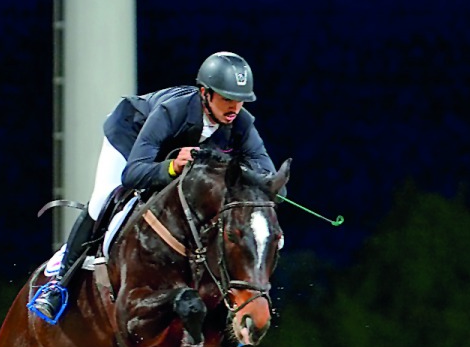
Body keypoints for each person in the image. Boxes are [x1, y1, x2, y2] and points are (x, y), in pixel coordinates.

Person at [28, 51, 282, 324]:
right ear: (205, 93)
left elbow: (270, 180)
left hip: (170, 154)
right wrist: (171, 167)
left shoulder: (241, 123)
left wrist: (249, 180)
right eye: (227, 99)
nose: (234, 108)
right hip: (130, 138)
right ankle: (59, 284)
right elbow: (133, 174)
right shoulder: (171, 112)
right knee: (102, 200)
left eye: (240, 101)